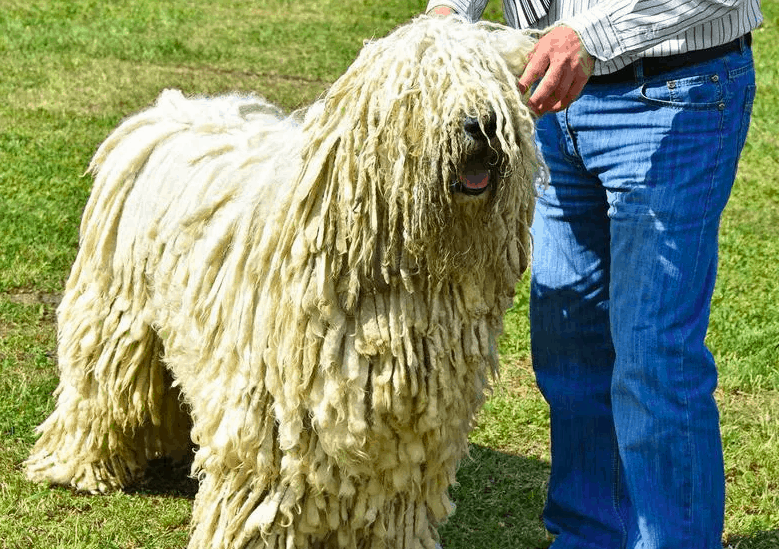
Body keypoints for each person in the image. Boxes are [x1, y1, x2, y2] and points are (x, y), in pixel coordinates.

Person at [425, 1, 762, 548]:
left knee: (653, 356)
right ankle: (588, 537)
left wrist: (588, 35)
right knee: (569, 350)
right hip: (548, 104)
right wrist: (446, 14)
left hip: (671, 92)